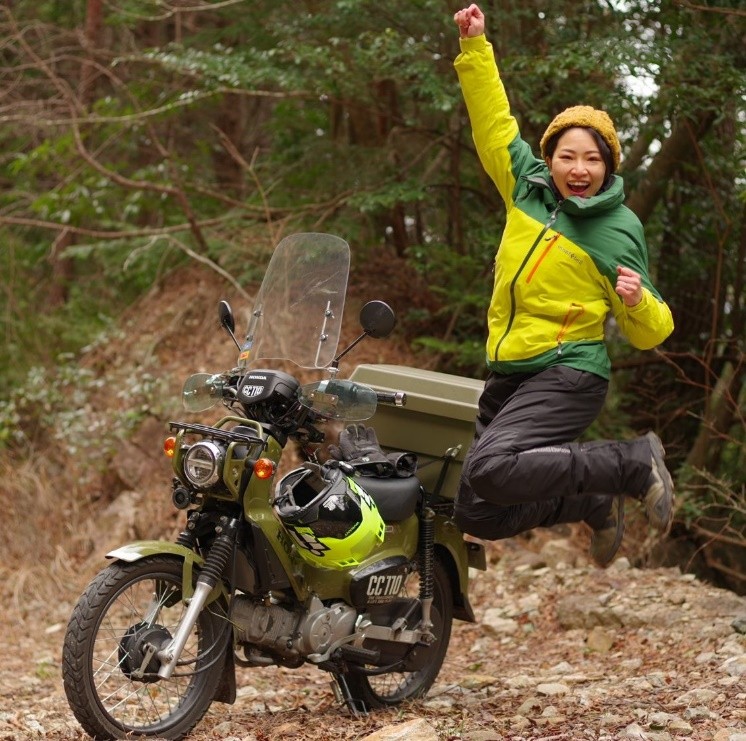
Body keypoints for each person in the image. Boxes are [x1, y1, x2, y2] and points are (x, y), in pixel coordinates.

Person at [451, 4, 675, 567]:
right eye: (568, 156)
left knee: (490, 468)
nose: (579, 168)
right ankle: (589, 500)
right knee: (476, 511)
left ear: (608, 166)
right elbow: (493, 121)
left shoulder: (618, 228)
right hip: (509, 372)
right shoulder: (523, 189)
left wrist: (637, 301)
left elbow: (652, 331)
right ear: (548, 158)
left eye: (593, 159)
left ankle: (632, 463)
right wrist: (475, 47)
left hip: (569, 371)